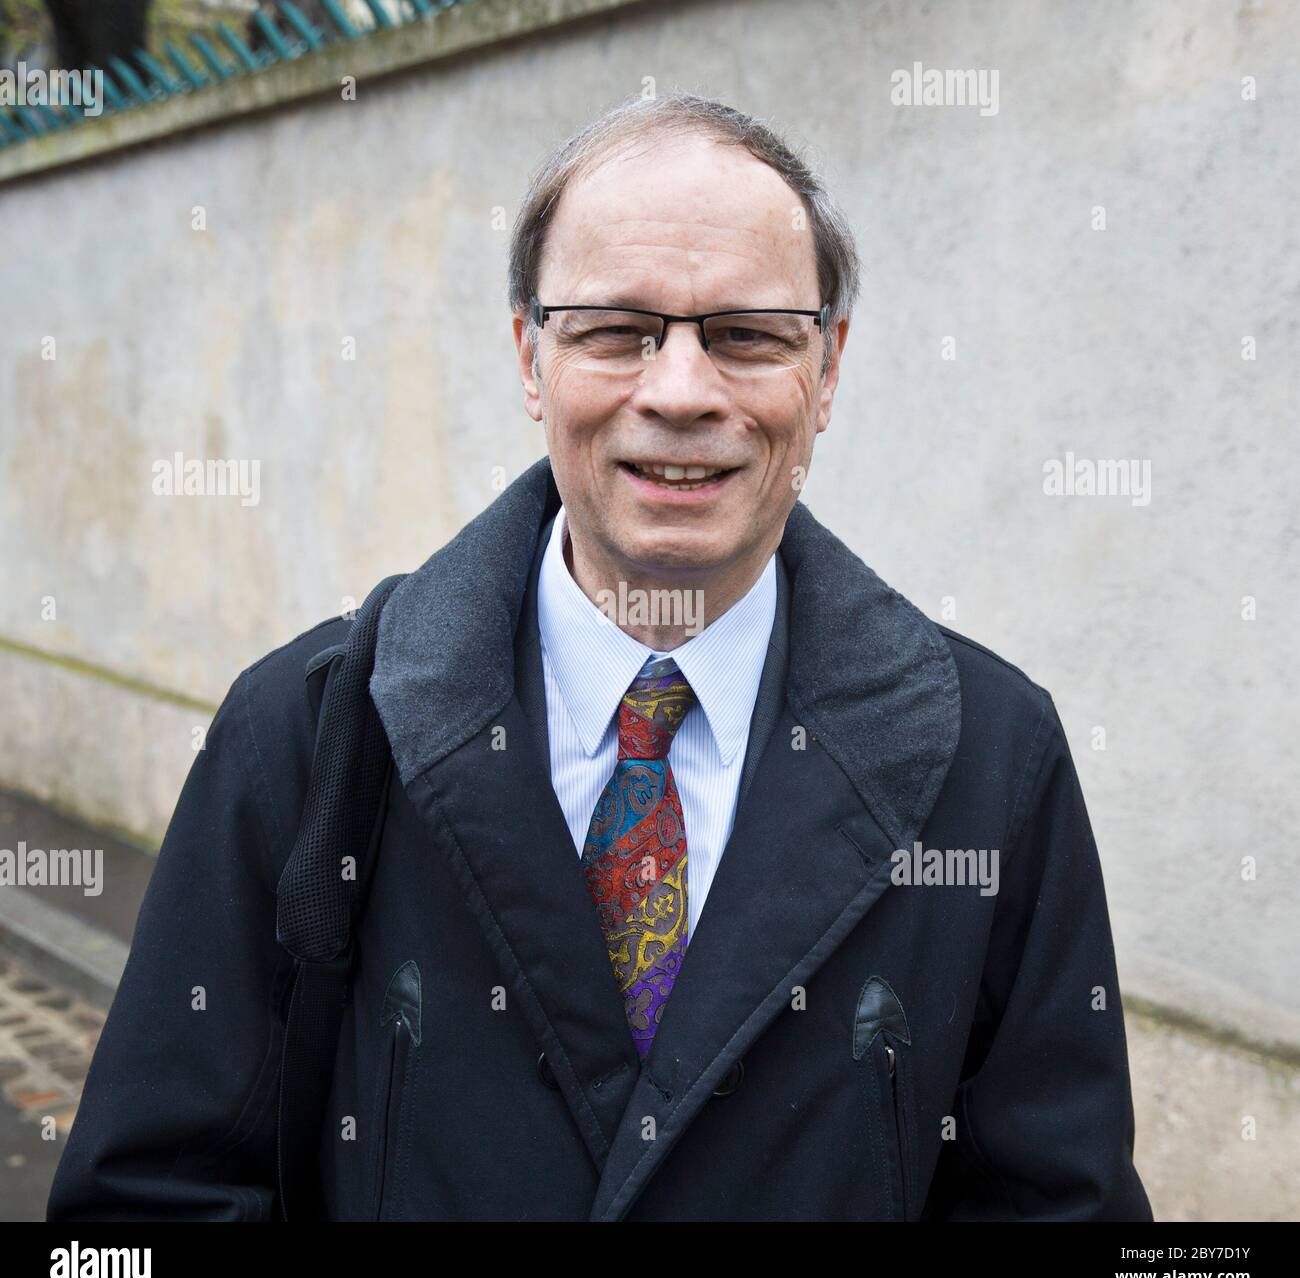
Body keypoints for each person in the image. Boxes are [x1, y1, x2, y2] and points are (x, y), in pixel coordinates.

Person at [47, 92, 1152, 1221]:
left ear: (825, 372)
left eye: (747, 335)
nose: (678, 393)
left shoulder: (992, 760)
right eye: (616, 330)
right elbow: (141, 1206)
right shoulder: (312, 726)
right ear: (531, 356)